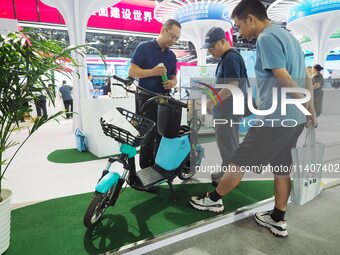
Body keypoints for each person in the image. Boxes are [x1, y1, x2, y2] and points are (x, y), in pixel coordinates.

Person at [190, 0, 317, 238]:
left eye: (239, 25)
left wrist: (301, 100)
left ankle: (214, 200)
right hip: (294, 119)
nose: (239, 32)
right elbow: (306, 74)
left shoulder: (267, 38)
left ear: (250, 18)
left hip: (275, 117)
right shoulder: (288, 36)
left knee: (238, 160)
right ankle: (278, 218)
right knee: (282, 167)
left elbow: (283, 76)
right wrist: (309, 107)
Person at [128, 19, 181, 168]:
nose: (174, 40)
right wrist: (152, 72)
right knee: (147, 136)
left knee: (163, 134)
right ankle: (146, 168)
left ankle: (159, 166)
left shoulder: (171, 56)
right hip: (146, 99)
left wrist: (172, 83)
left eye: (177, 38)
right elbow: (132, 71)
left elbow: (174, 77)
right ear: (163, 30)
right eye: (172, 36)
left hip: (165, 99)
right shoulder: (144, 48)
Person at [201, 27, 248, 185]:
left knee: (229, 144)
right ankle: (227, 171)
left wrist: (211, 102)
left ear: (222, 41)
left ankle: (230, 177)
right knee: (226, 143)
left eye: (212, 47)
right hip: (226, 110)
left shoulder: (231, 58)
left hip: (228, 111)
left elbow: (232, 85)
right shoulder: (227, 58)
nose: (210, 51)